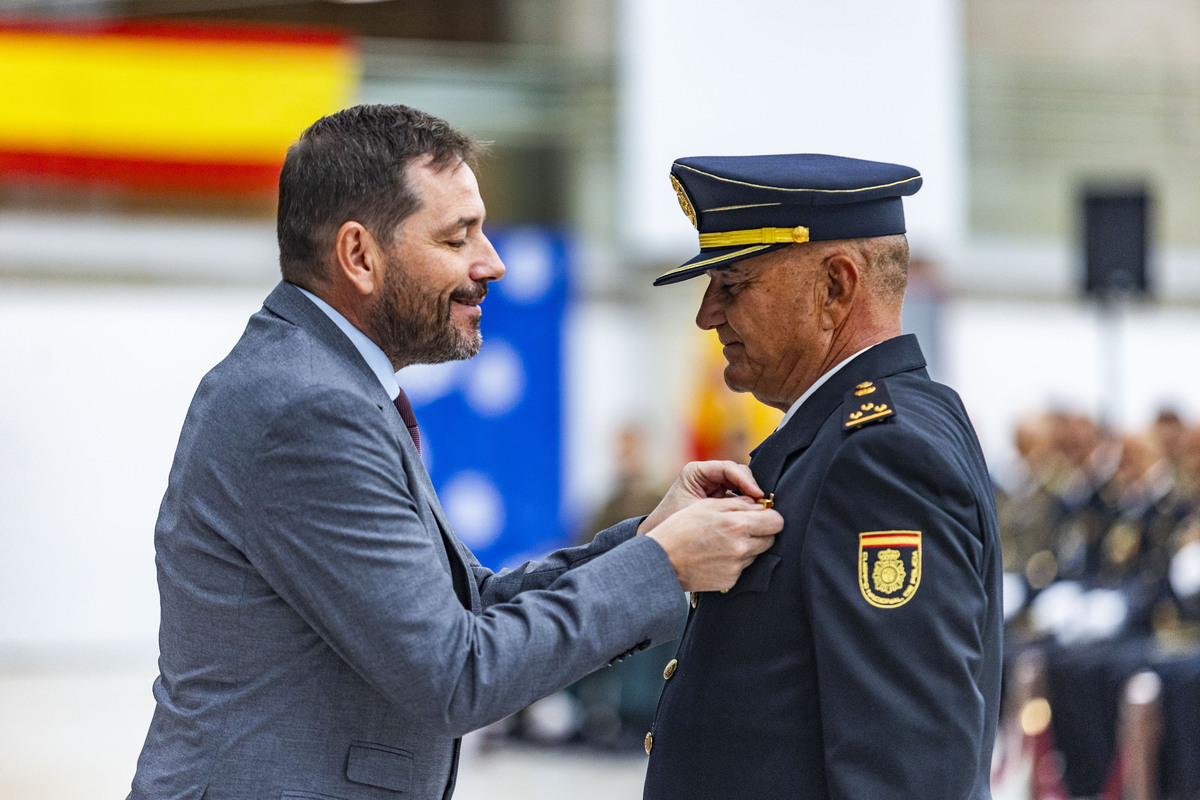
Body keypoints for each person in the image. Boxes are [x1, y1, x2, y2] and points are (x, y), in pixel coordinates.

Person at [127, 105, 782, 800]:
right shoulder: (309, 409)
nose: (491, 262)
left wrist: (651, 537)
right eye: (457, 236)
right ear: (359, 256)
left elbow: (469, 606)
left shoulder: (328, 385)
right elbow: (456, 672)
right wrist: (666, 565)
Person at [642, 154, 1003, 799]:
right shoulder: (849, 436)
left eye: (733, 284)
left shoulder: (880, 457)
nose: (707, 315)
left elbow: (906, 771)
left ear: (835, 287)